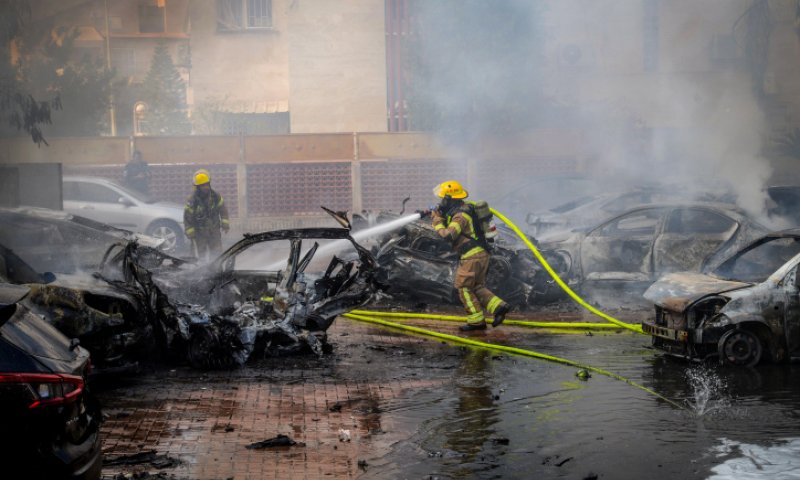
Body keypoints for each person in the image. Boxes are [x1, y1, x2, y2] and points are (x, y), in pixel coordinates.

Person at [429, 180, 510, 331]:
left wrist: (437, 221)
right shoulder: (462, 209)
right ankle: (499, 307)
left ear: (449, 199)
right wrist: (436, 214)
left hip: (471, 256)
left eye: (442, 199)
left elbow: (448, 235)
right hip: (480, 254)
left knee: (463, 288)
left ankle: (476, 322)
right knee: (476, 287)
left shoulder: (460, 216)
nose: (441, 202)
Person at [184, 169, 230, 261]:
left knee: (217, 254)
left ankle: (217, 268)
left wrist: (225, 224)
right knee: (200, 255)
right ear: (198, 187)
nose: (206, 187)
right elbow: (187, 218)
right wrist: (190, 232)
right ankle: (201, 269)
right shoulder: (192, 200)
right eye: (203, 185)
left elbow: (223, 210)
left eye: (207, 184)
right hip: (199, 233)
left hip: (214, 231)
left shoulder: (215, 196)